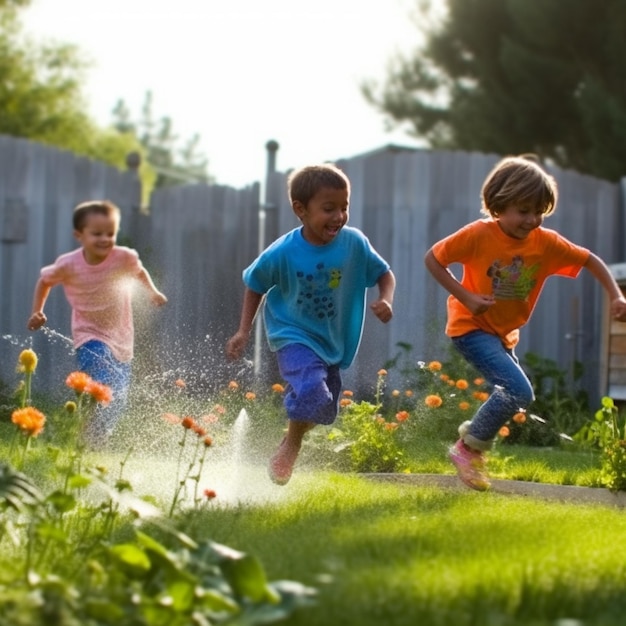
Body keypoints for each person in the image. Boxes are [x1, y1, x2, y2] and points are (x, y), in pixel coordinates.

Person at [424, 155, 626, 491]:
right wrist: (466, 297)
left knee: (513, 394)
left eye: (539, 211)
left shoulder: (544, 242)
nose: (532, 219)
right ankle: (467, 449)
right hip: (470, 327)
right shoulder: (477, 234)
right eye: (523, 210)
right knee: (518, 390)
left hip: (503, 334)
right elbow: (434, 259)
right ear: (497, 205)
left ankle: (471, 446)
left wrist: (616, 295)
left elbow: (590, 259)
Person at [225, 163, 395, 485]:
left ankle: (292, 440)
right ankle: (290, 445)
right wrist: (243, 330)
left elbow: (384, 273)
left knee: (323, 410)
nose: (339, 217)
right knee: (312, 394)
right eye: (329, 208)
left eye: (344, 207)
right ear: (300, 209)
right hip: (292, 335)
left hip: (332, 342)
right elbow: (255, 284)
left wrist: (386, 298)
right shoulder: (285, 251)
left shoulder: (354, 243)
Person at [27, 200, 167, 446]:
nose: (105, 239)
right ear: (79, 235)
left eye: (110, 233)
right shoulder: (69, 263)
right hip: (88, 334)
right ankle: (86, 435)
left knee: (118, 397)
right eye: (97, 233)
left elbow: (139, 272)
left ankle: (94, 437)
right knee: (102, 377)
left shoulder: (123, 257)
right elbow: (44, 281)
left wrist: (152, 292)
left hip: (122, 337)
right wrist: (37, 311)